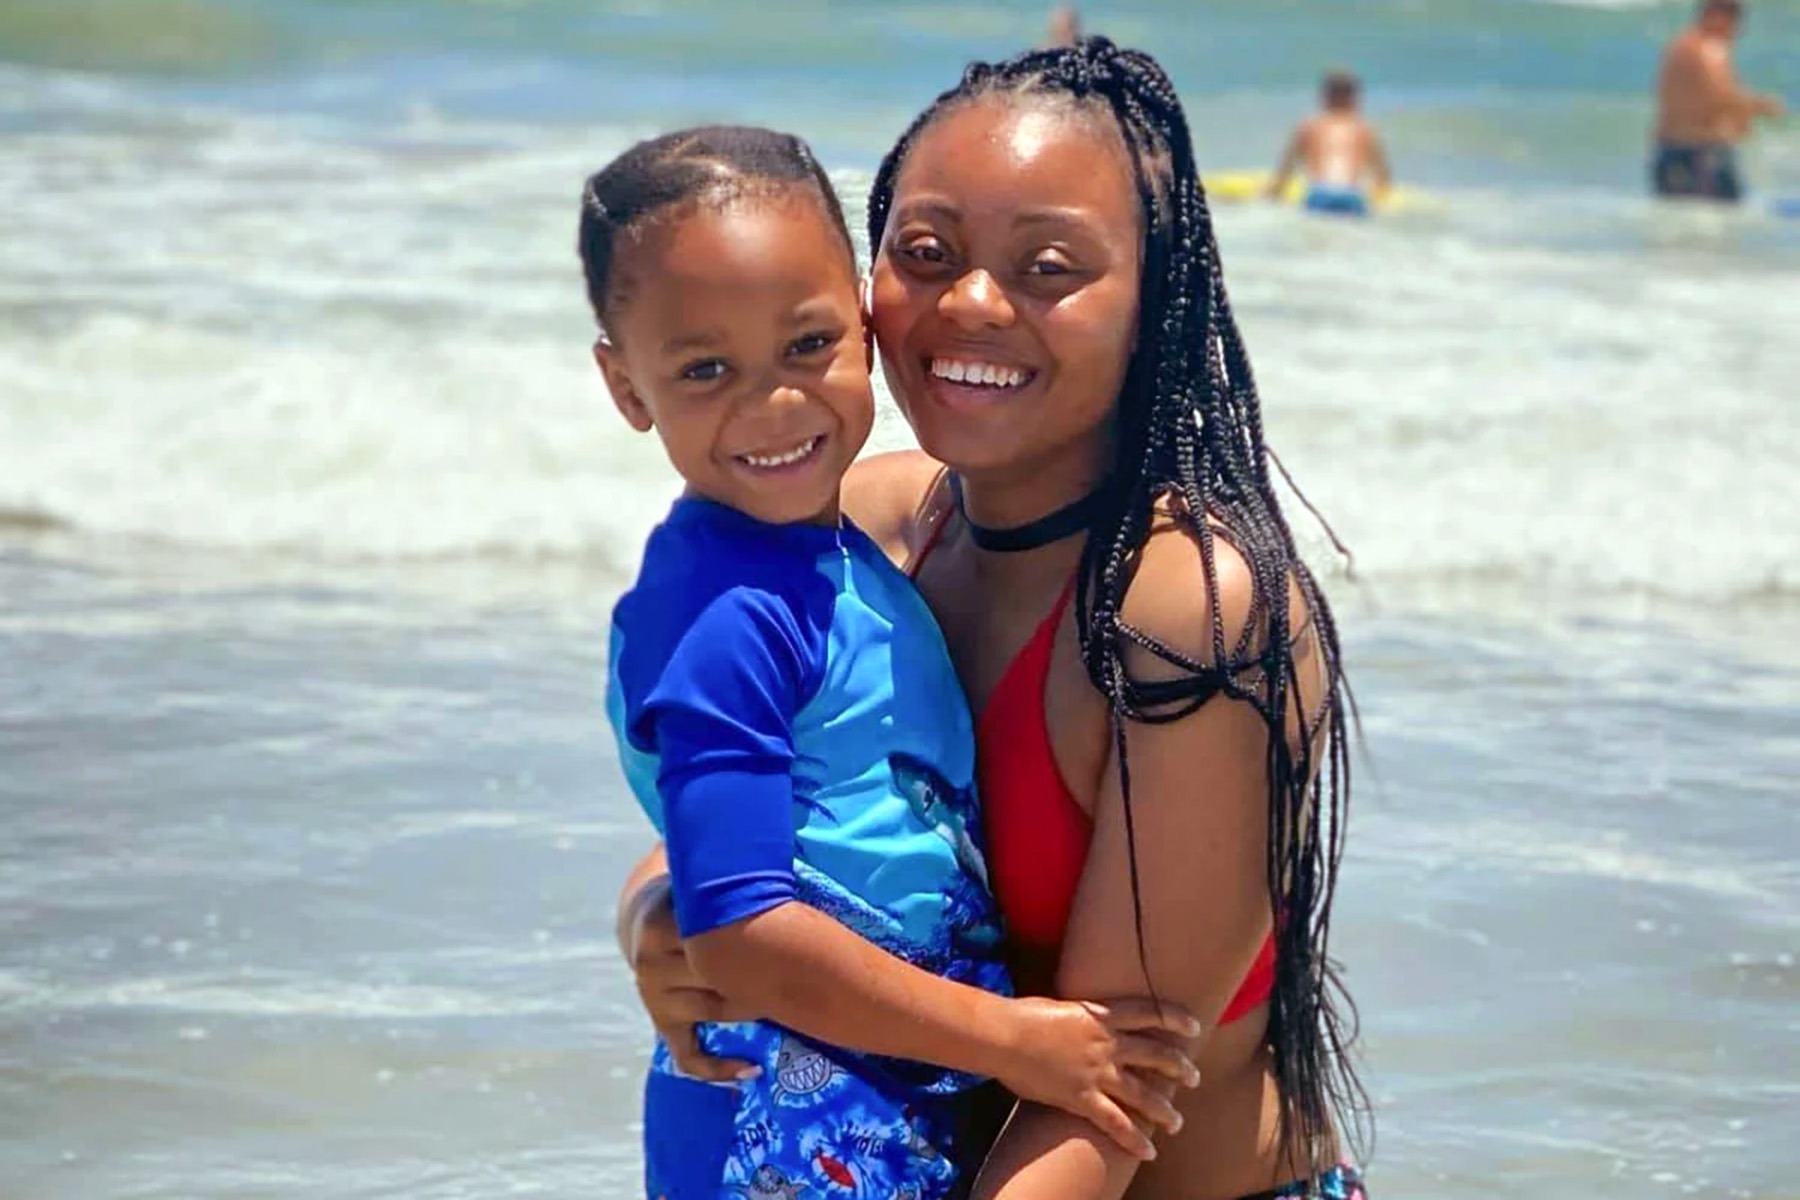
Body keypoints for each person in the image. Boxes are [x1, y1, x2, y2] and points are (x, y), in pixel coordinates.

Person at [618, 38, 1371, 1200]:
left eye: (1049, 267)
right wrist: (661, 919)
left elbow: (1113, 1092)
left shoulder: (1193, 606)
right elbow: (753, 815)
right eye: (926, 253)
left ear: (1151, 300)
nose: (971, 302)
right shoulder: (859, 527)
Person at [582, 125, 1204, 1200]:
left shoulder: (828, 555)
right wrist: (1014, 1042)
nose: (775, 402)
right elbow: (737, 932)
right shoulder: (729, 615)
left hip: (863, 1081)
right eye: (705, 369)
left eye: (808, 344)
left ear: (866, 325)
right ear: (627, 388)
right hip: (782, 1111)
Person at [1652, 0, 1785, 203]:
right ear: (1718, 16)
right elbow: (1720, 95)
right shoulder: (1710, 48)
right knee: (1719, 227)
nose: (1737, 31)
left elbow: (1688, 99)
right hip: (1703, 157)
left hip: (1669, 153)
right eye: (1736, 22)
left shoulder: (1680, 45)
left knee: (1677, 226)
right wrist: (1761, 105)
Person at [1267, 70, 1392, 217]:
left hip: (1320, 194)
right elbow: (1383, 179)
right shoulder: (1366, 129)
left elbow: (1284, 175)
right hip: (1351, 196)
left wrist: (1267, 196)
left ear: (1323, 97)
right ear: (1355, 98)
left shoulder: (1308, 126)